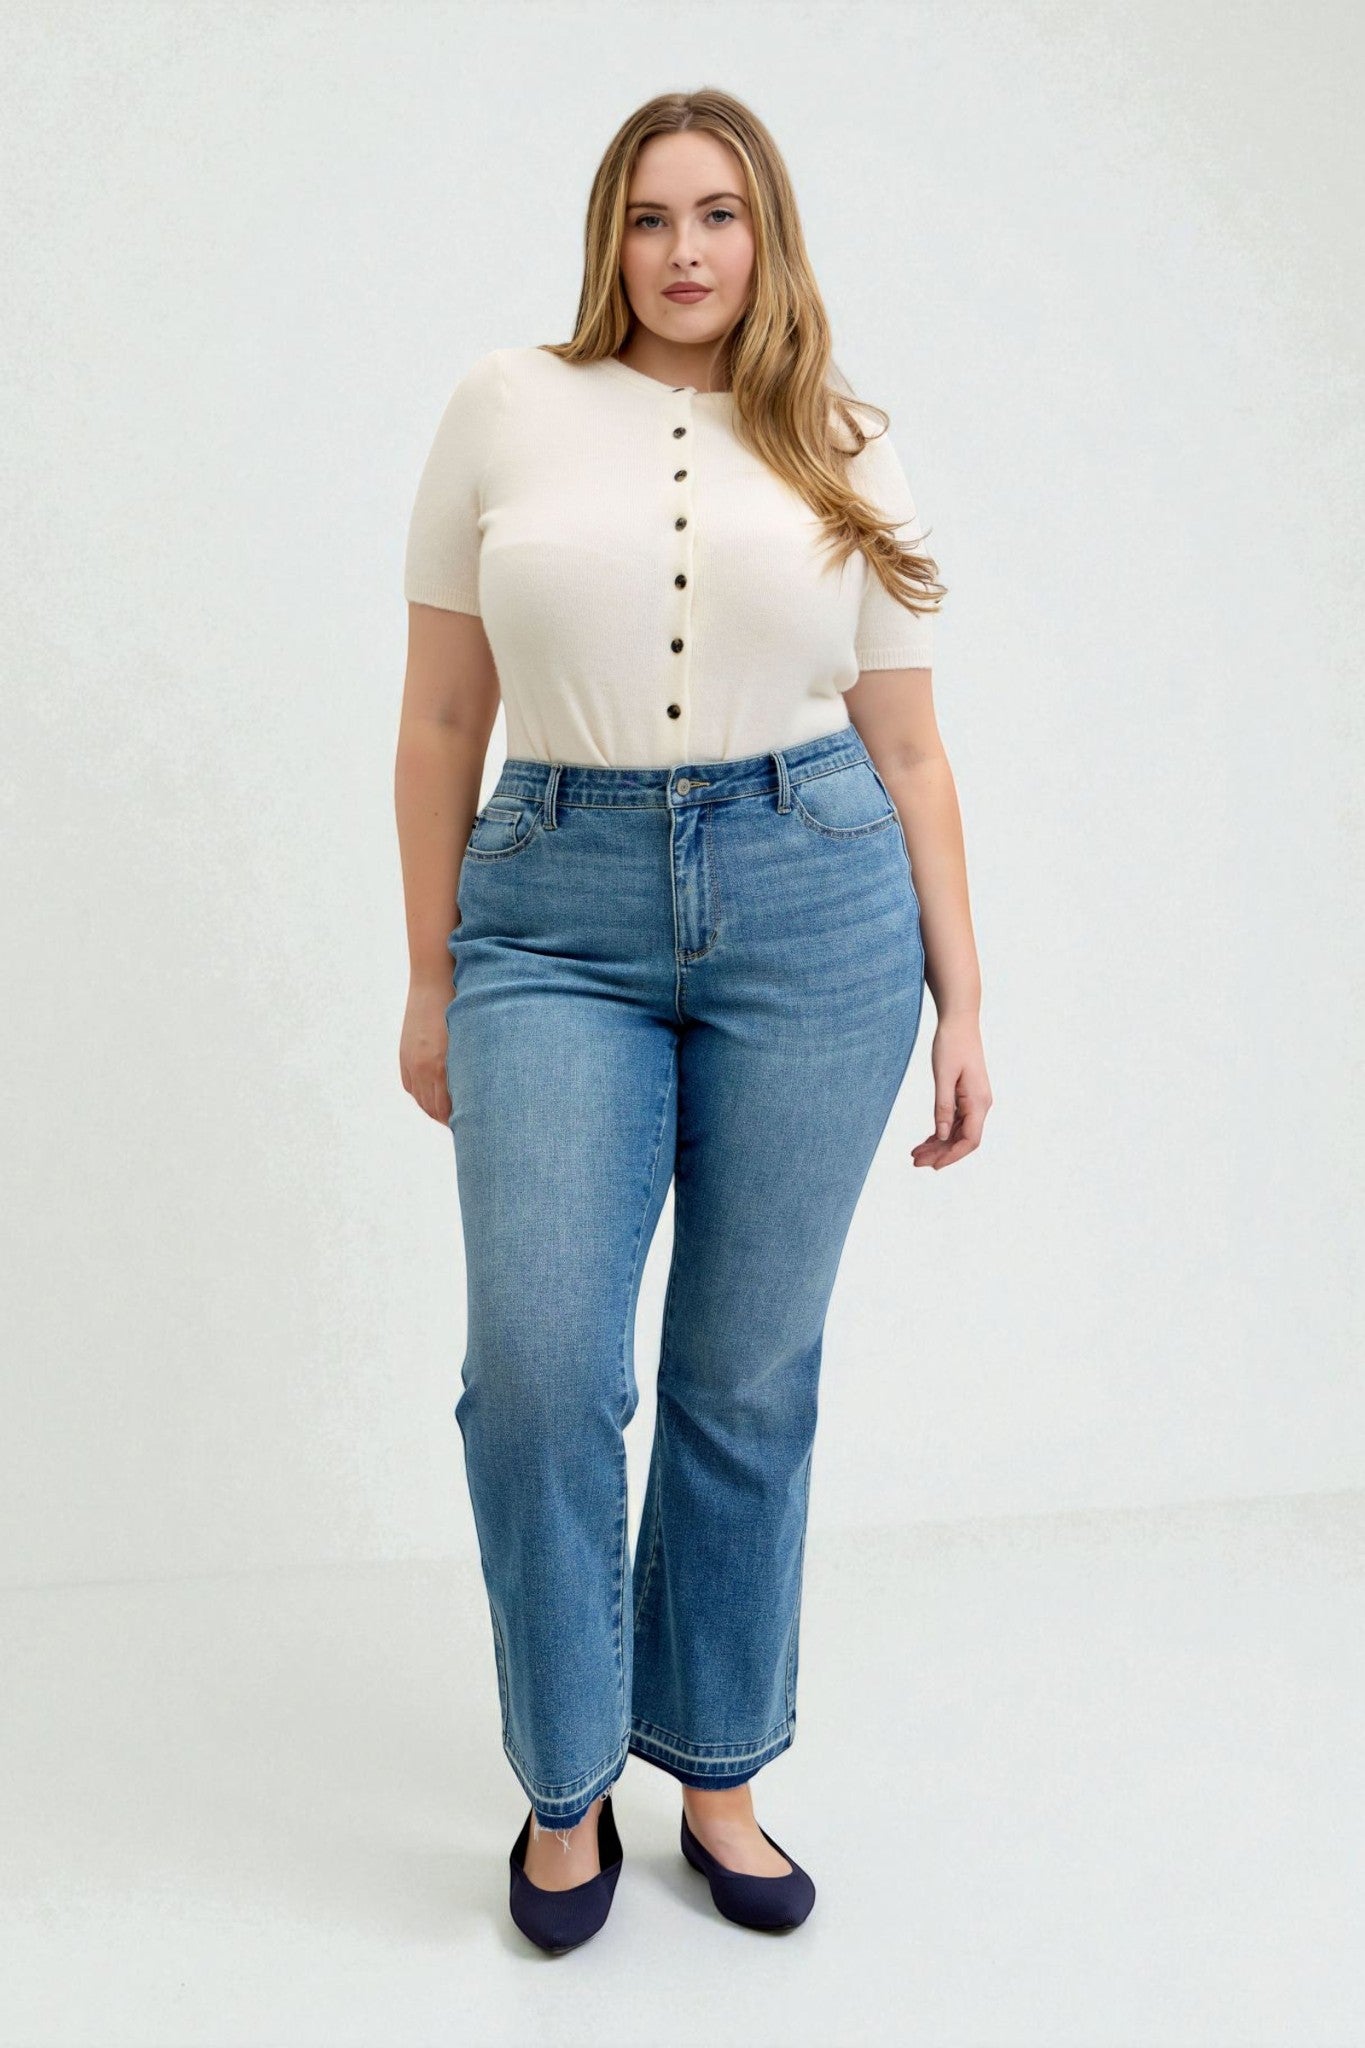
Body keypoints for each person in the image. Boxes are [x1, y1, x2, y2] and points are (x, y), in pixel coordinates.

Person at [395, 87, 991, 1953]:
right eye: (650, 217)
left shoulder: (844, 437)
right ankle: (564, 1785)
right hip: (550, 912)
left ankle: (717, 1773)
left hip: (815, 903)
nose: (682, 251)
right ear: (609, 236)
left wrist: (965, 996)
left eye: (717, 214)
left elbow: (908, 746)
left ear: (765, 234)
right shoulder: (503, 405)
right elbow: (439, 721)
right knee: (538, 1376)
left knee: (745, 1374)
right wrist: (429, 973)